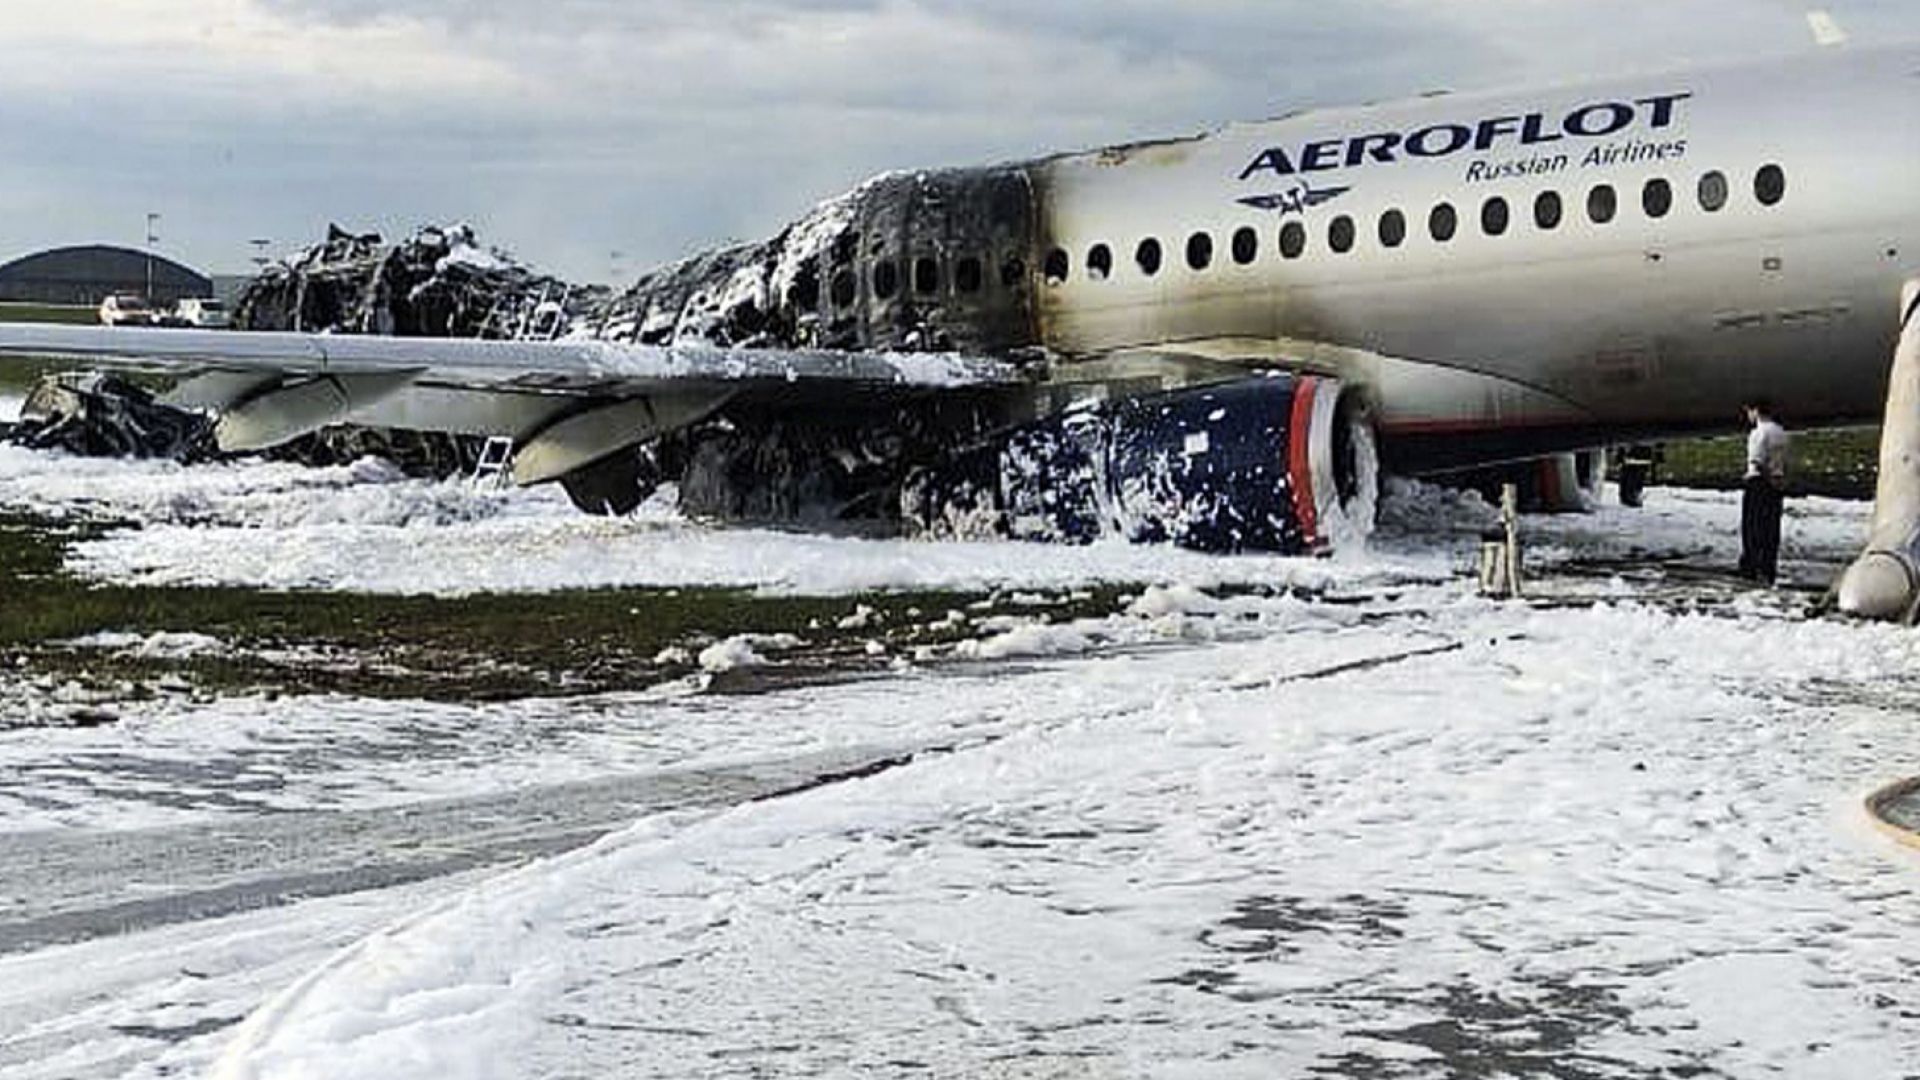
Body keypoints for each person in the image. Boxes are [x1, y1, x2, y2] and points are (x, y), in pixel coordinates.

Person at [1738, 398, 1790, 584]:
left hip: (1759, 482)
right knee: (1771, 529)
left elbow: (1758, 462)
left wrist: (1768, 479)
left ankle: (1751, 567)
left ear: (1756, 411)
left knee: (1752, 528)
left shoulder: (1759, 433)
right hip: (1777, 482)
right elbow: (1784, 461)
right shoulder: (1781, 433)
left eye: (1749, 412)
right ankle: (1768, 568)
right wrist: (1779, 481)